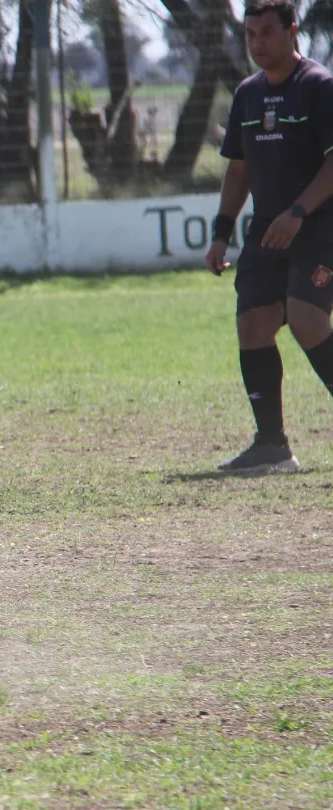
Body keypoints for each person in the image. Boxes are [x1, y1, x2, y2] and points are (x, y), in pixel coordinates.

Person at [207, 0, 333, 473]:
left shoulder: (319, 87)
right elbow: (238, 170)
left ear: (292, 32)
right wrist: (221, 234)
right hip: (267, 228)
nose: (258, 43)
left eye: (267, 32)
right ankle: (272, 444)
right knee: (253, 323)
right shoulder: (247, 94)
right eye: (251, 34)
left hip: (320, 223)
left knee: (306, 317)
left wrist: (299, 212)